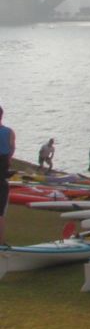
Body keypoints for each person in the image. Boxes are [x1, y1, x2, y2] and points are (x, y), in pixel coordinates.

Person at [0, 105, 15, 245]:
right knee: (1, 213)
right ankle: (1, 242)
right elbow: (11, 150)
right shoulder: (9, 132)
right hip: (2, 176)